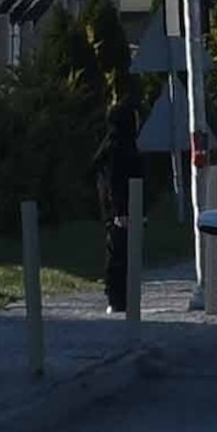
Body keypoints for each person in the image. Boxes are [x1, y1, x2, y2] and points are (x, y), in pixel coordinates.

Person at [93, 100, 142, 314]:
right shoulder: (116, 148)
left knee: (124, 252)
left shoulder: (121, 145)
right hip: (119, 211)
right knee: (118, 253)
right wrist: (120, 211)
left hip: (124, 208)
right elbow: (114, 181)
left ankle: (124, 296)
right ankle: (116, 298)